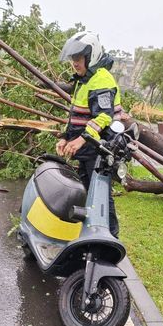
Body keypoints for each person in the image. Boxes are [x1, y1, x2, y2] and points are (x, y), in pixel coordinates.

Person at [55, 32, 123, 237]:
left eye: (78, 58)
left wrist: (79, 140)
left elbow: (103, 117)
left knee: (100, 195)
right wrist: (65, 137)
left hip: (100, 148)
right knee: (87, 191)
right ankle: (90, 233)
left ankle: (110, 237)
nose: (74, 63)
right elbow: (77, 116)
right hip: (87, 148)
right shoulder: (84, 80)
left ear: (90, 56)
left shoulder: (101, 80)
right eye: (72, 59)